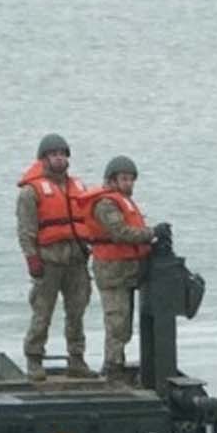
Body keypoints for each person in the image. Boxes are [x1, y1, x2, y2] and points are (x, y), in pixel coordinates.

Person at [16, 133, 93, 377]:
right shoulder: (31, 192)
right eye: (54, 154)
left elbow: (91, 220)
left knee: (77, 313)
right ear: (44, 159)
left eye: (62, 154)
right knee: (42, 313)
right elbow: (26, 230)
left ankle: (77, 358)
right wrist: (32, 259)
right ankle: (34, 358)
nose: (59, 159)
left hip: (77, 260)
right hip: (48, 261)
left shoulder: (78, 187)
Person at [84, 157, 160, 382]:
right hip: (112, 270)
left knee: (123, 324)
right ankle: (112, 366)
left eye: (131, 180)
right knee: (117, 321)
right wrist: (152, 233)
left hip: (125, 270)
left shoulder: (122, 202)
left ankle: (116, 361)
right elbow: (120, 233)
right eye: (124, 179)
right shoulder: (106, 204)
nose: (129, 184)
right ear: (112, 180)